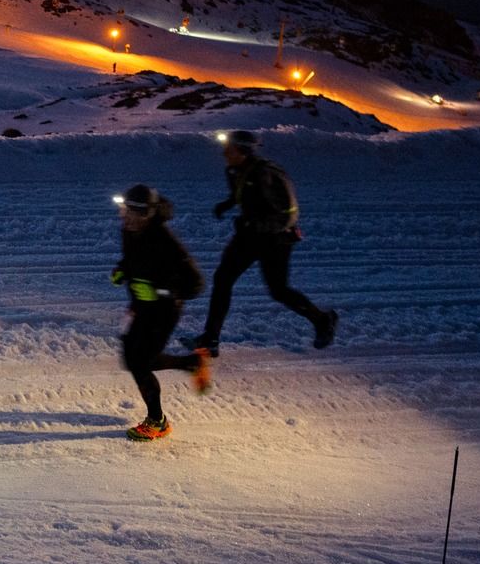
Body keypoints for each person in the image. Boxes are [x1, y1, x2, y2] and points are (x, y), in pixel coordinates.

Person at [190, 130, 337, 357]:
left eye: (229, 149)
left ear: (242, 151)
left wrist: (259, 225)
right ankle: (210, 339)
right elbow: (243, 193)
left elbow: (288, 214)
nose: (224, 153)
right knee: (223, 279)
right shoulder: (234, 170)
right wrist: (228, 204)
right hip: (249, 234)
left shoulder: (267, 173)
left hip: (276, 239)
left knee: (278, 290)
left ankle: (323, 320)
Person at [112, 184, 210, 441]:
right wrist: (123, 269)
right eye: (125, 213)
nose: (128, 220)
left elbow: (196, 283)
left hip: (162, 312)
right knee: (131, 358)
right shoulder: (129, 229)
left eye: (135, 215)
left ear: (148, 215)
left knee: (140, 362)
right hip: (139, 306)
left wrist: (161, 291)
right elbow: (132, 256)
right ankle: (191, 363)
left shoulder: (165, 241)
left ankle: (157, 421)